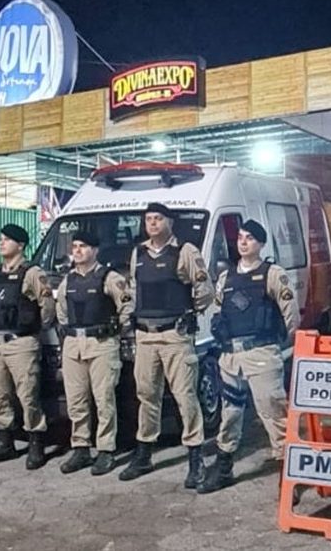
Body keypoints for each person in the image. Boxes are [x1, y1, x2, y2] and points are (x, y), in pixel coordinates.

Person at [198, 219, 299, 494]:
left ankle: (289, 476)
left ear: (261, 244)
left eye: (250, 238)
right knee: (230, 414)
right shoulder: (226, 277)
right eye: (241, 237)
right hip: (231, 356)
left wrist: (279, 343)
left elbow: (291, 315)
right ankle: (224, 468)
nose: (243, 242)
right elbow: (218, 311)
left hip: (261, 354)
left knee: (273, 413)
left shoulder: (273, 274)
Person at [119, 202, 215, 487]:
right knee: (147, 395)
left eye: (158, 218)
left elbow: (205, 290)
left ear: (169, 222)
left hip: (175, 336)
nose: (152, 223)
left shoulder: (185, 252)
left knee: (185, 396)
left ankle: (195, 458)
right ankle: (144, 454)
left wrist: (188, 314)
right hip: (145, 336)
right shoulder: (138, 253)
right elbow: (133, 291)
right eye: (148, 219)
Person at [0, 224, 55, 470]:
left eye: (7, 240)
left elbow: (47, 305)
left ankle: (36, 442)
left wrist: (35, 329)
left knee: (28, 395)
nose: (1, 243)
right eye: (0, 239)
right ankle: (5, 442)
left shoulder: (32, 272)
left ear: (20, 245)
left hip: (21, 343)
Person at [56, 230, 134, 476]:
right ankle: (80, 448)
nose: (77, 251)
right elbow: (61, 312)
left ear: (95, 250)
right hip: (73, 345)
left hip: (101, 344)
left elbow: (127, 307)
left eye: (83, 246)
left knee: (104, 400)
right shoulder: (68, 280)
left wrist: (115, 332)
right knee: (76, 401)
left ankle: (105, 450)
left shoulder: (109, 278)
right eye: (75, 246)